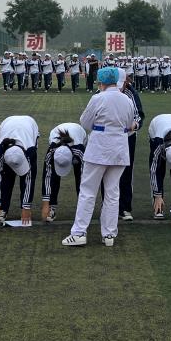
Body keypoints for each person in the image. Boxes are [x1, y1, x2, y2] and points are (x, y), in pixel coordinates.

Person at [63, 67, 138, 247]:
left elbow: (85, 122)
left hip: (99, 148)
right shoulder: (127, 99)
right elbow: (130, 124)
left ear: (101, 82)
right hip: (119, 148)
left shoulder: (98, 98)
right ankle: (109, 234)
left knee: (88, 192)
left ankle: (79, 233)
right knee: (112, 193)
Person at [0, 115, 39, 226]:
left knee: (25, 176)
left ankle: (23, 208)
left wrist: (26, 206)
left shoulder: (30, 151)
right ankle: (3, 208)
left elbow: (30, 179)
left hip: (30, 125)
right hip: (6, 123)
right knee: (6, 176)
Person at [41, 122, 86, 222]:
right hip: (57, 131)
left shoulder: (79, 151)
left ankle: (82, 208)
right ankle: (51, 208)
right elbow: (47, 177)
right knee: (53, 177)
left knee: (80, 176)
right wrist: (45, 204)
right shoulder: (52, 151)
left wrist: (84, 205)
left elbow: (84, 179)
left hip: (79, 132)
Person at [118, 69, 146, 221]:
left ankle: (125, 207)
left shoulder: (130, 93)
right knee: (106, 171)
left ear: (125, 82)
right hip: (107, 137)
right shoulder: (101, 91)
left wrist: (135, 124)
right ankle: (108, 206)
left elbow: (138, 114)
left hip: (127, 136)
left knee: (126, 170)